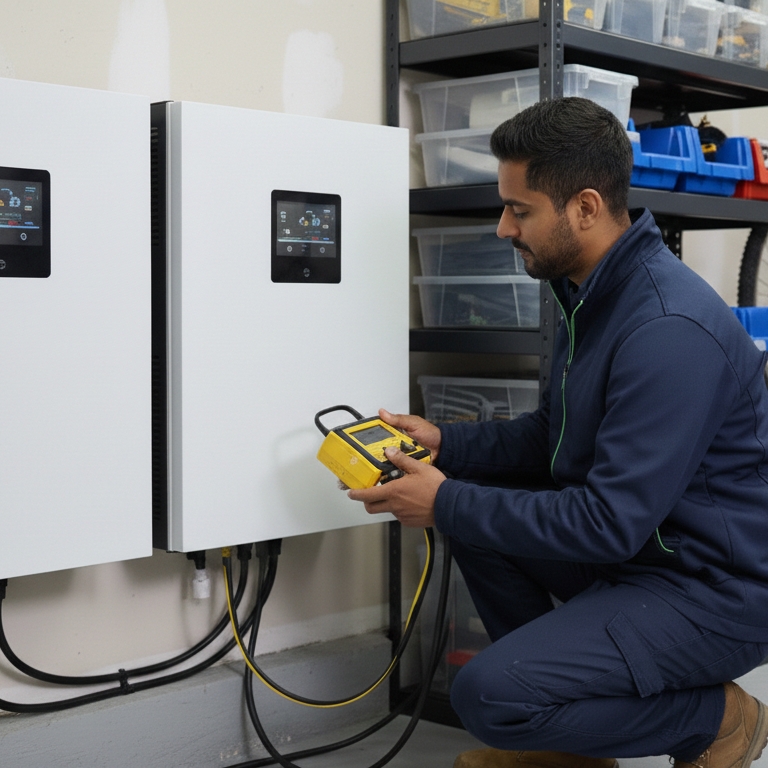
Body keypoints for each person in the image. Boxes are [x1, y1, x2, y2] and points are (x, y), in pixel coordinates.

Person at [347, 97, 768, 768]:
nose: (502, 229)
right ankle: (568, 746)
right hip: (645, 557)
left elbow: (606, 523)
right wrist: (445, 445)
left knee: (488, 696)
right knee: (471, 500)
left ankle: (718, 718)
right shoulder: (591, 293)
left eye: (520, 209)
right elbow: (555, 434)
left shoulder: (666, 329)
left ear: (585, 207)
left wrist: (442, 500)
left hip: (711, 590)